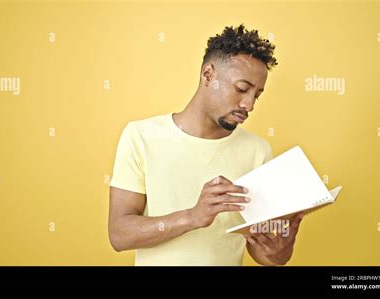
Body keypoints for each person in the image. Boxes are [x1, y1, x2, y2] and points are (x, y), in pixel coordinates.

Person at [108, 24, 304, 266]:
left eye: (257, 95)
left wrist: (279, 252)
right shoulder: (141, 136)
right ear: (208, 75)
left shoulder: (257, 151)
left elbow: (263, 252)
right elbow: (119, 234)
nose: (249, 105)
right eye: (241, 89)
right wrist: (192, 217)